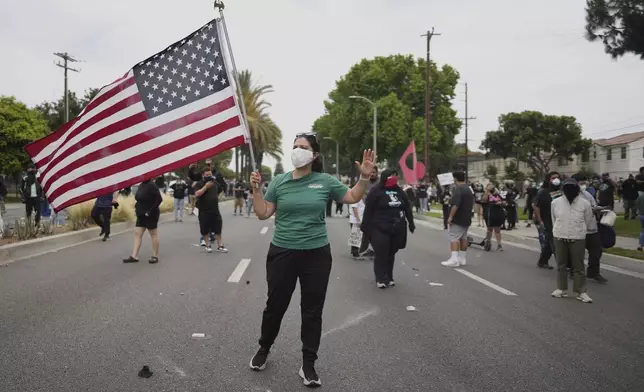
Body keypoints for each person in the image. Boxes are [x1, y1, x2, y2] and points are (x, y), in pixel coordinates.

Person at [248, 132, 374, 387]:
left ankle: (308, 364)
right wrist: (256, 191)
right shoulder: (279, 182)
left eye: (303, 147)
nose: (298, 150)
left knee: (312, 310)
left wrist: (364, 178)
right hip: (282, 252)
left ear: (314, 155)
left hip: (316, 254)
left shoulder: (324, 181)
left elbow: (351, 197)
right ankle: (264, 348)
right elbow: (263, 214)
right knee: (275, 306)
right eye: (295, 146)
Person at [362, 169, 415, 287]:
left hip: (397, 228)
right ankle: (380, 278)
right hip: (379, 227)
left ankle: (389, 276)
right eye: (391, 176)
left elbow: (407, 207)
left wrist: (411, 223)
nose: (394, 178)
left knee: (391, 253)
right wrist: (365, 227)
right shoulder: (376, 191)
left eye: (395, 176)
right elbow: (368, 210)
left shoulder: (399, 191)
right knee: (381, 252)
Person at [550, 178, 593, 303]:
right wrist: (559, 230)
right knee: (561, 264)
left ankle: (581, 292)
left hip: (577, 237)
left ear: (577, 189)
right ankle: (561, 288)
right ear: (563, 189)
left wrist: (578, 230)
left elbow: (587, 219)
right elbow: (554, 219)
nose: (570, 190)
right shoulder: (555, 202)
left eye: (572, 188)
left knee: (578, 266)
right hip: (559, 235)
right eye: (567, 188)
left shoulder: (585, 203)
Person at [573, 173, 608, 283]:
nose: (583, 184)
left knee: (597, 251)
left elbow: (593, 206)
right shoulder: (569, 196)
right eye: (581, 182)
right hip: (577, 229)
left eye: (584, 182)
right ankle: (574, 271)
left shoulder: (587, 194)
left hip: (592, 228)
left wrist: (602, 209)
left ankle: (593, 272)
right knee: (577, 252)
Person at [123, 179, 162, 264]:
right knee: (138, 234)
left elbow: (159, 199)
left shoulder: (152, 185)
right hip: (141, 214)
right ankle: (134, 256)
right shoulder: (141, 184)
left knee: (153, 234)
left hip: (151, 214)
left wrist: (150, 211)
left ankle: (155, 256)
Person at [441, 171, 475, 267]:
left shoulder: (458, 189)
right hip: (467, 216)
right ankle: (462, 258)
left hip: (458, 217)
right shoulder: (469, 189)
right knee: (463, 237)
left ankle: (454, 259)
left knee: (454, 238)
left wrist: (450, 216)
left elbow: (456, 205)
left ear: (455, 179)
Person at [533, 171, 563, 269]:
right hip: (548, 220)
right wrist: (540, 221)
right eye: (553, 178)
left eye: (557, 177)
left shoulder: (563, 190)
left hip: (560, 220)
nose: (556, 180)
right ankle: (562, 265)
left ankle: (542, 261)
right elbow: (536, 206)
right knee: (554, 242)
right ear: (548, 180)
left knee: (549, 243)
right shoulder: (543, 192)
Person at [195, 167, 228, 253]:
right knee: (205, 229)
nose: (209, 176)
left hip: (215, 209)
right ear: (203, 175)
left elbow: (221, 190)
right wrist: (206, 187)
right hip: (204, 210)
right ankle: (207, 245)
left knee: (218, 228)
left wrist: (219, 197)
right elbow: (197, 194)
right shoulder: (200, 183)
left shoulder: (215, 183)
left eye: (210, 174)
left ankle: (220, 246)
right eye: (207, 175)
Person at [481, 182, 505, 251]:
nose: (491, 186)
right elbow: (484, 200)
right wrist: (487, 192)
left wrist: (501, 202)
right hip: (489, 214)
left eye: (492, 185)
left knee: (497, 230)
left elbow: (504, 202)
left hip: (498, 214)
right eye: (489, 185)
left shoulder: (497, 194)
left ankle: (499, 244)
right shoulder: (485, 194)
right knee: (489, 229)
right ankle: (488, 242)